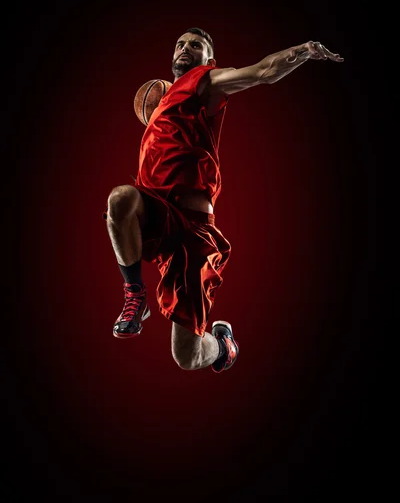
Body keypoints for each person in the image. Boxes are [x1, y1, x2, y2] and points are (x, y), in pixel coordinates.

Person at [103, 27, 344, 373]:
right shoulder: (164, 106)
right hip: (159, 215)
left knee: (186, 357)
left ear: (208, 59)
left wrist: (302, 50)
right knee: (120, 199)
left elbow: (262, 72)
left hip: (193, 230)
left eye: (196, 45)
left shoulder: (206, 82)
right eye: (180, 44)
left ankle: (222, 346)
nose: (186, 48)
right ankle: (134, 293)